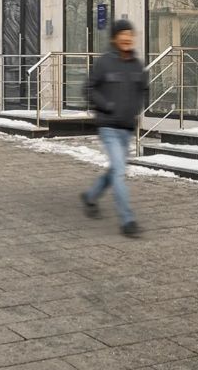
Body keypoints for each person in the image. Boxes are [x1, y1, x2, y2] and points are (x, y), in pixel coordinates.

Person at [81, 19, 148, 237]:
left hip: (126, 128)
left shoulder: (137, 64)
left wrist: (135, 109)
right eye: (123, 34)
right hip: (108, 126)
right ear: (114, 38)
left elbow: (143, 90)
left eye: (130, 34)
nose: (127, 38)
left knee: (114, 171)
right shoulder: (104, 62)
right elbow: (88, 89)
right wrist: (107, 105)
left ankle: (90, 197)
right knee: (119, 171)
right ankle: (127, 221)